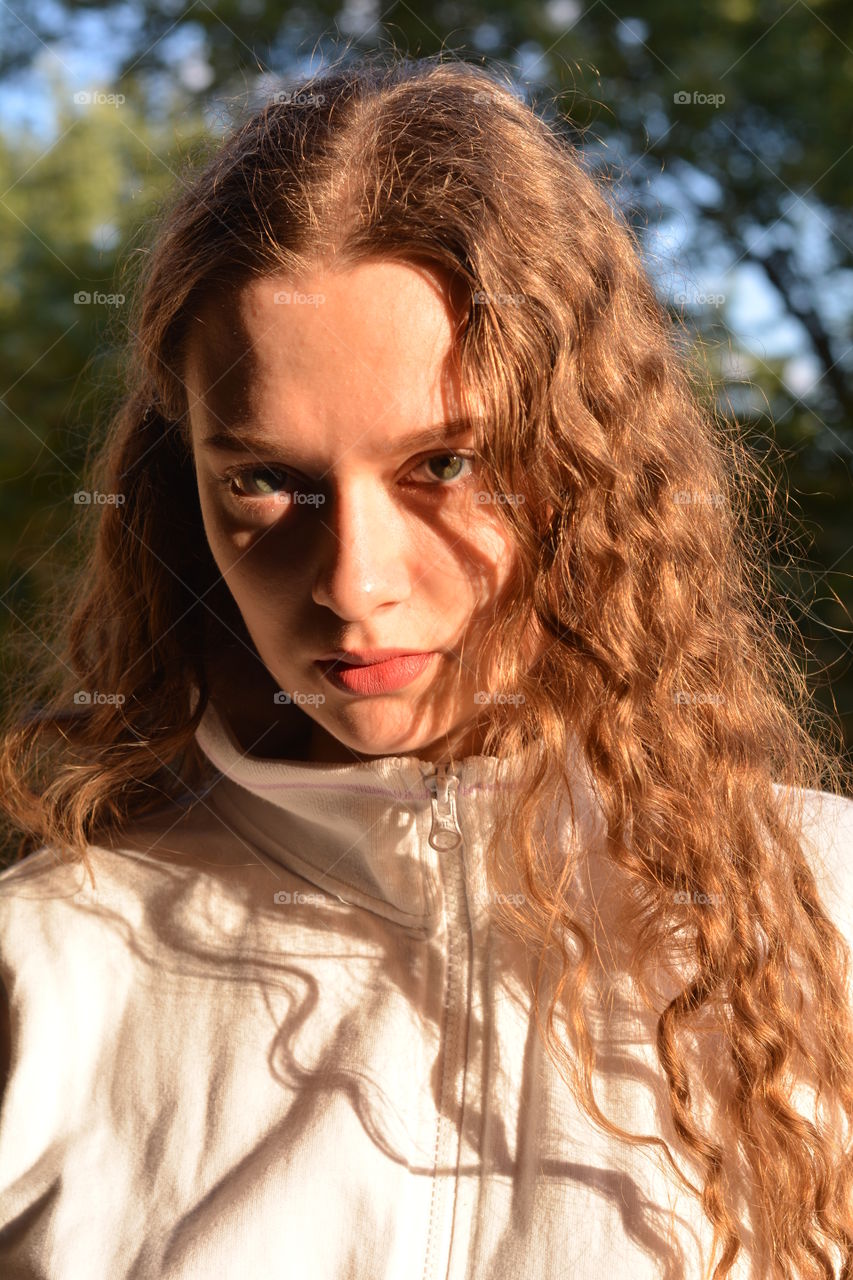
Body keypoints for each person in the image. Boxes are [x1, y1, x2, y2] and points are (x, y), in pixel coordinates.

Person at [0, 51, 851, 1280]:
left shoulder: (820, 913)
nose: (354, 584)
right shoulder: (48, 978)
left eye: (445, 465)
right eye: (267, 481)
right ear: (180, 491)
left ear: (591, 464)